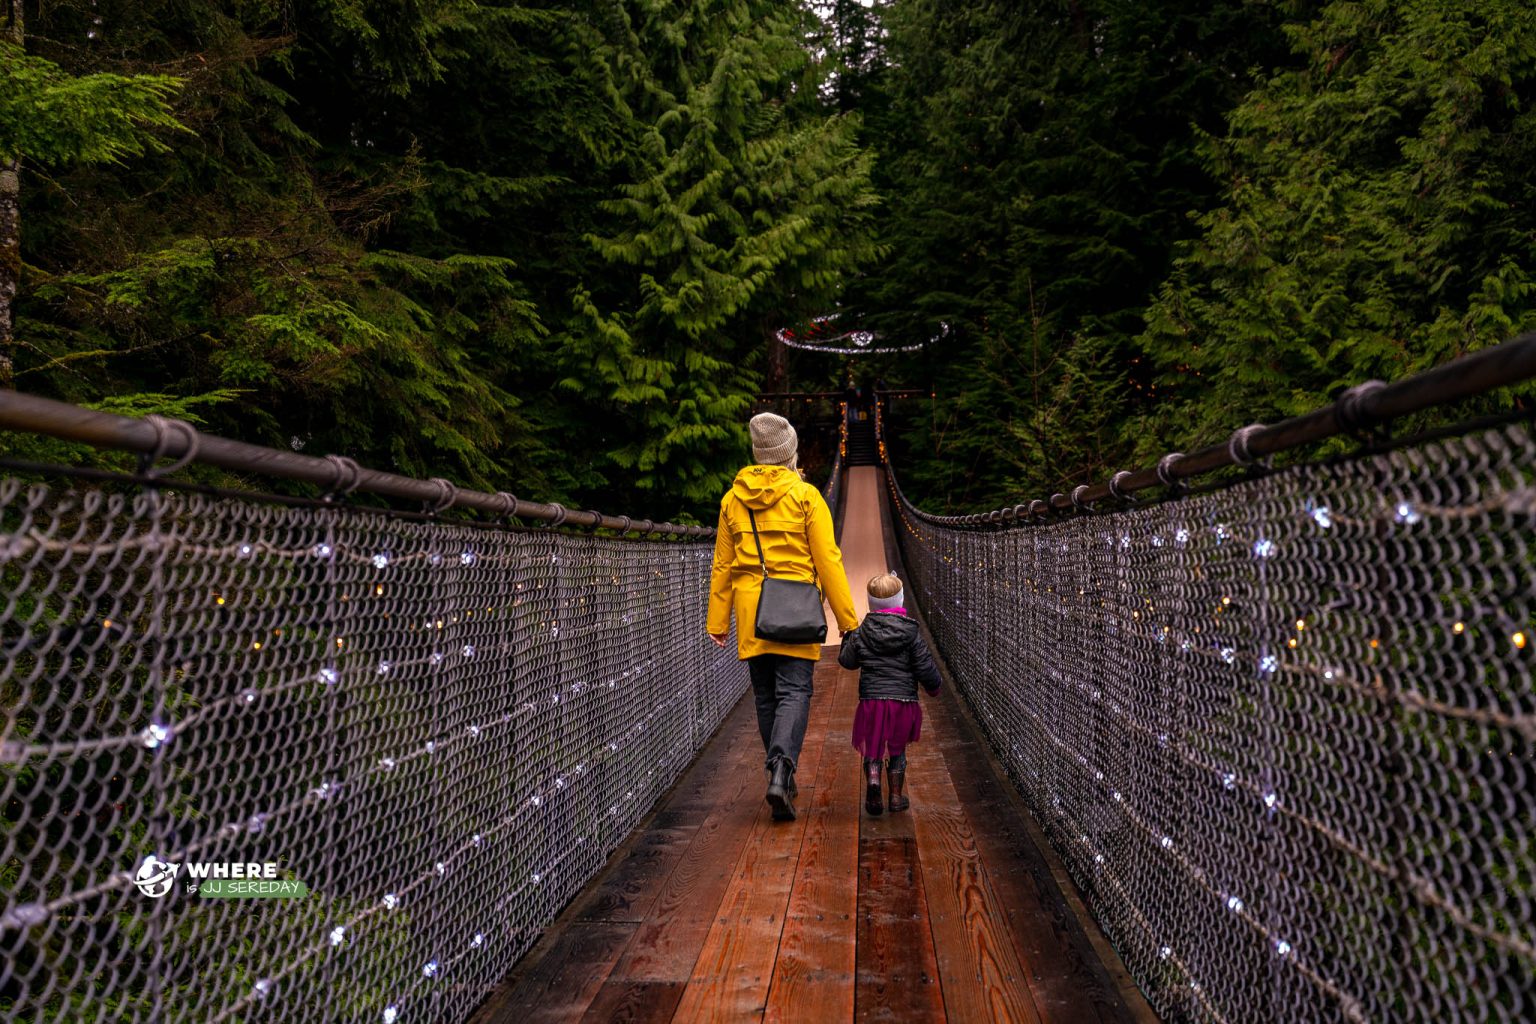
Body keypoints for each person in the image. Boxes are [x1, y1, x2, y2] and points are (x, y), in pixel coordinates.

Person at [708, 412, 859, 821]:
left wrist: (717, 621)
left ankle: (778, 774)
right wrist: (848, 621)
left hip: (751, 610)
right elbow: (828, 559)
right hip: (796, 609)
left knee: (766, 696)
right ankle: (782, 768)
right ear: (788, 452)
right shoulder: (807, 497)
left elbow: (722, 564)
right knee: (794, 692)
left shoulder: (731, 499)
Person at [838, 574, 941, 815]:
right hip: (903, 703)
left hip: (872, 701)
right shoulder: (911, 632)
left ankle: (874, 787)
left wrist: (847, 639)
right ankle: (895, 796)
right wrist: (934, 687)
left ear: (871, 603)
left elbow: (848, 661)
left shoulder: (863, 631)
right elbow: (924, 666)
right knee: (897, 749)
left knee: (873, 747)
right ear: (901, 599)